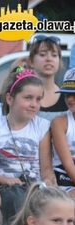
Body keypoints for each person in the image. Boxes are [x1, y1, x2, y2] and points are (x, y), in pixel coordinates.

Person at [0, 67, 55, 225]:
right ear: (10, 98)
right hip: (2, 189)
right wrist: (3, 179)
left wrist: (48, 184)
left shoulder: (42, 126)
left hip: (33, 188)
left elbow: (46, 168)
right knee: (15, 197)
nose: (34, 104)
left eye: (38, 99)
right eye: (28, 98)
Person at [28, 35, 67, 122]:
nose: (49, 59)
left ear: (59, 61)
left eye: (54, 55)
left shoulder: (68, 98)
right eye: (42, 54)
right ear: (31, 61)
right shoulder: (22, 96)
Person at [51, 68, 75, 196]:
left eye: (74, 94)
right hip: (64, 181)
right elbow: (68, 164)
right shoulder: (59, 123)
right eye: (67, 94)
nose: (70, 99)